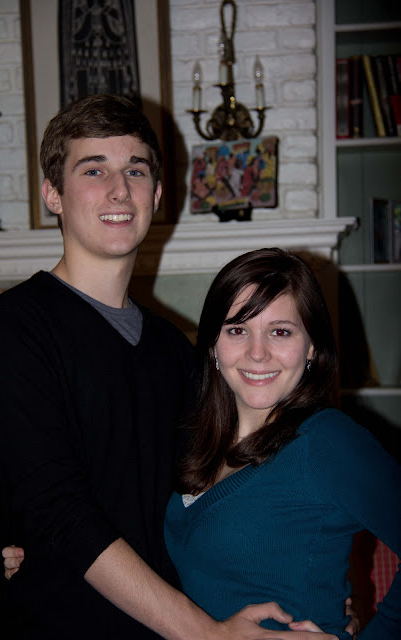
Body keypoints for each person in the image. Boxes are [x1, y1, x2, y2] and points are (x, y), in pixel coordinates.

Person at [0, 95, 345, 640]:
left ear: (157, 193)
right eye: (93, 170)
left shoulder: (174, 349)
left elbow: (224, 489)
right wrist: (208, 635)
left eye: (136, 170)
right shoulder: (14, 326)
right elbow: (54, 507)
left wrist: (316, 586)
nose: (119, 190)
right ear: (53, 193)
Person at [164, 248, 401, 640]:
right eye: (237, 330)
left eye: (280, 331)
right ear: (212, 346)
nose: (257, 353)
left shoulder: (327, 441)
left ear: (311, 347)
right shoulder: (195, 440)